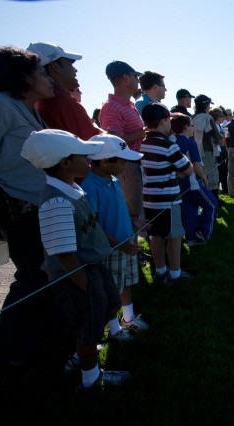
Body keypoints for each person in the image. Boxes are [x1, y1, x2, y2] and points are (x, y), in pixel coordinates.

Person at [20, 129, 131, 389]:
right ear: (65, 162)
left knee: (108, 305)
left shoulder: (72, 187)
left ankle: (83, 351)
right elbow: (65, 258)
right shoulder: (56, 201)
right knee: (88, 325)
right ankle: (90, 376)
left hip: (92, 267)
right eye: (83, 155)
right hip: (77, 276)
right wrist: (88, 287)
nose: (89, 160)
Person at [0, 46, 55, 366]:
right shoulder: (2, 105)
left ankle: (33, 346)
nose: (48, 78)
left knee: (41, 277)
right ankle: (11, 353)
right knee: (32, 278)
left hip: (39, 206)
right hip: (18, 208)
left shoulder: (30, 108)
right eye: (42, 72)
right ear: (23, 76)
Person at [80, 134, 150, 334]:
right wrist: (120, 244)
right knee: (112, 289)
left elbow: (118, 210)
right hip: (111, 248)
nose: (126, 163)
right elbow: (94, 226)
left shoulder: (114, 180)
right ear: (104, 161)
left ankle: (128, 318)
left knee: (125, 282)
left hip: (125, 245)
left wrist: (134, 222)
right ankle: (114, 329)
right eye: (122, 159)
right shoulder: (89, 187)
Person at [140, 103, 193, 284]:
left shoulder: (142, 143)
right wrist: (181, 165)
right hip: (168, 200)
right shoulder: (168, 145)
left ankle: (160, 270)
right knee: (175, 236)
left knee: (156, 235)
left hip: (149, 200)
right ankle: (175, 274)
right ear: (163, 121)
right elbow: (188, 170)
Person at [99, 61, 146, 229]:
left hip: (134, 166)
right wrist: (141, 134)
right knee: (130, 215)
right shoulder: (111, 107)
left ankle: (133, 252)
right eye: (136, 76)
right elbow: (113, 142)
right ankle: (131, 253)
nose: (138, 80)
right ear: (125, 78)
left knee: (135, 213)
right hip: (126, 168)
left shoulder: (129, 106)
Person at [27, 42, 101, 140]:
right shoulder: (60, 100)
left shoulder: (40, 101)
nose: (75, 70)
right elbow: (95, 143)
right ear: (55, 67)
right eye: (70, 64)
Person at [172, 114, 218, 245]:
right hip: (192, 182)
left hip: (180, 184)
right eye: (191, 125)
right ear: (186, 127)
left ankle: (191, 237)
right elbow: (196, 164)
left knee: (190, 209)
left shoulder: (172, 142)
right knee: (212, 204)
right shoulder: (189, 143)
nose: (193, 128)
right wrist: (204, 178)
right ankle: (204, 234)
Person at [191, 95, 223, 201]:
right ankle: (212, 205)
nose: (209, 107)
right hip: (207, 153)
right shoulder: (207, 118)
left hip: (193, 153)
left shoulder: (191, 117)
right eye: (209, 105)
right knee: (211, 180)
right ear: (206, 105)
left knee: (198, 179)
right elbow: (219, 139)